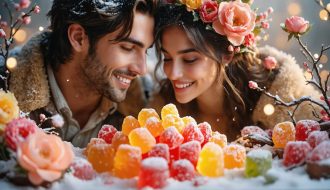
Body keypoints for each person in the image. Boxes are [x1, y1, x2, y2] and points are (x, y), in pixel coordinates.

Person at [149, 1, 322, 141]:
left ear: (227, 54)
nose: (173, 73)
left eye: (190, 59)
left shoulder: (279, 103)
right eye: (167, 58)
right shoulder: (163, 110)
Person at [8, 0, 158, 147]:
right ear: (78, 38)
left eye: (146, 51)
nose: (141, 69)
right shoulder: (5, 89)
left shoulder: (147, 103)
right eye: (128, 47)